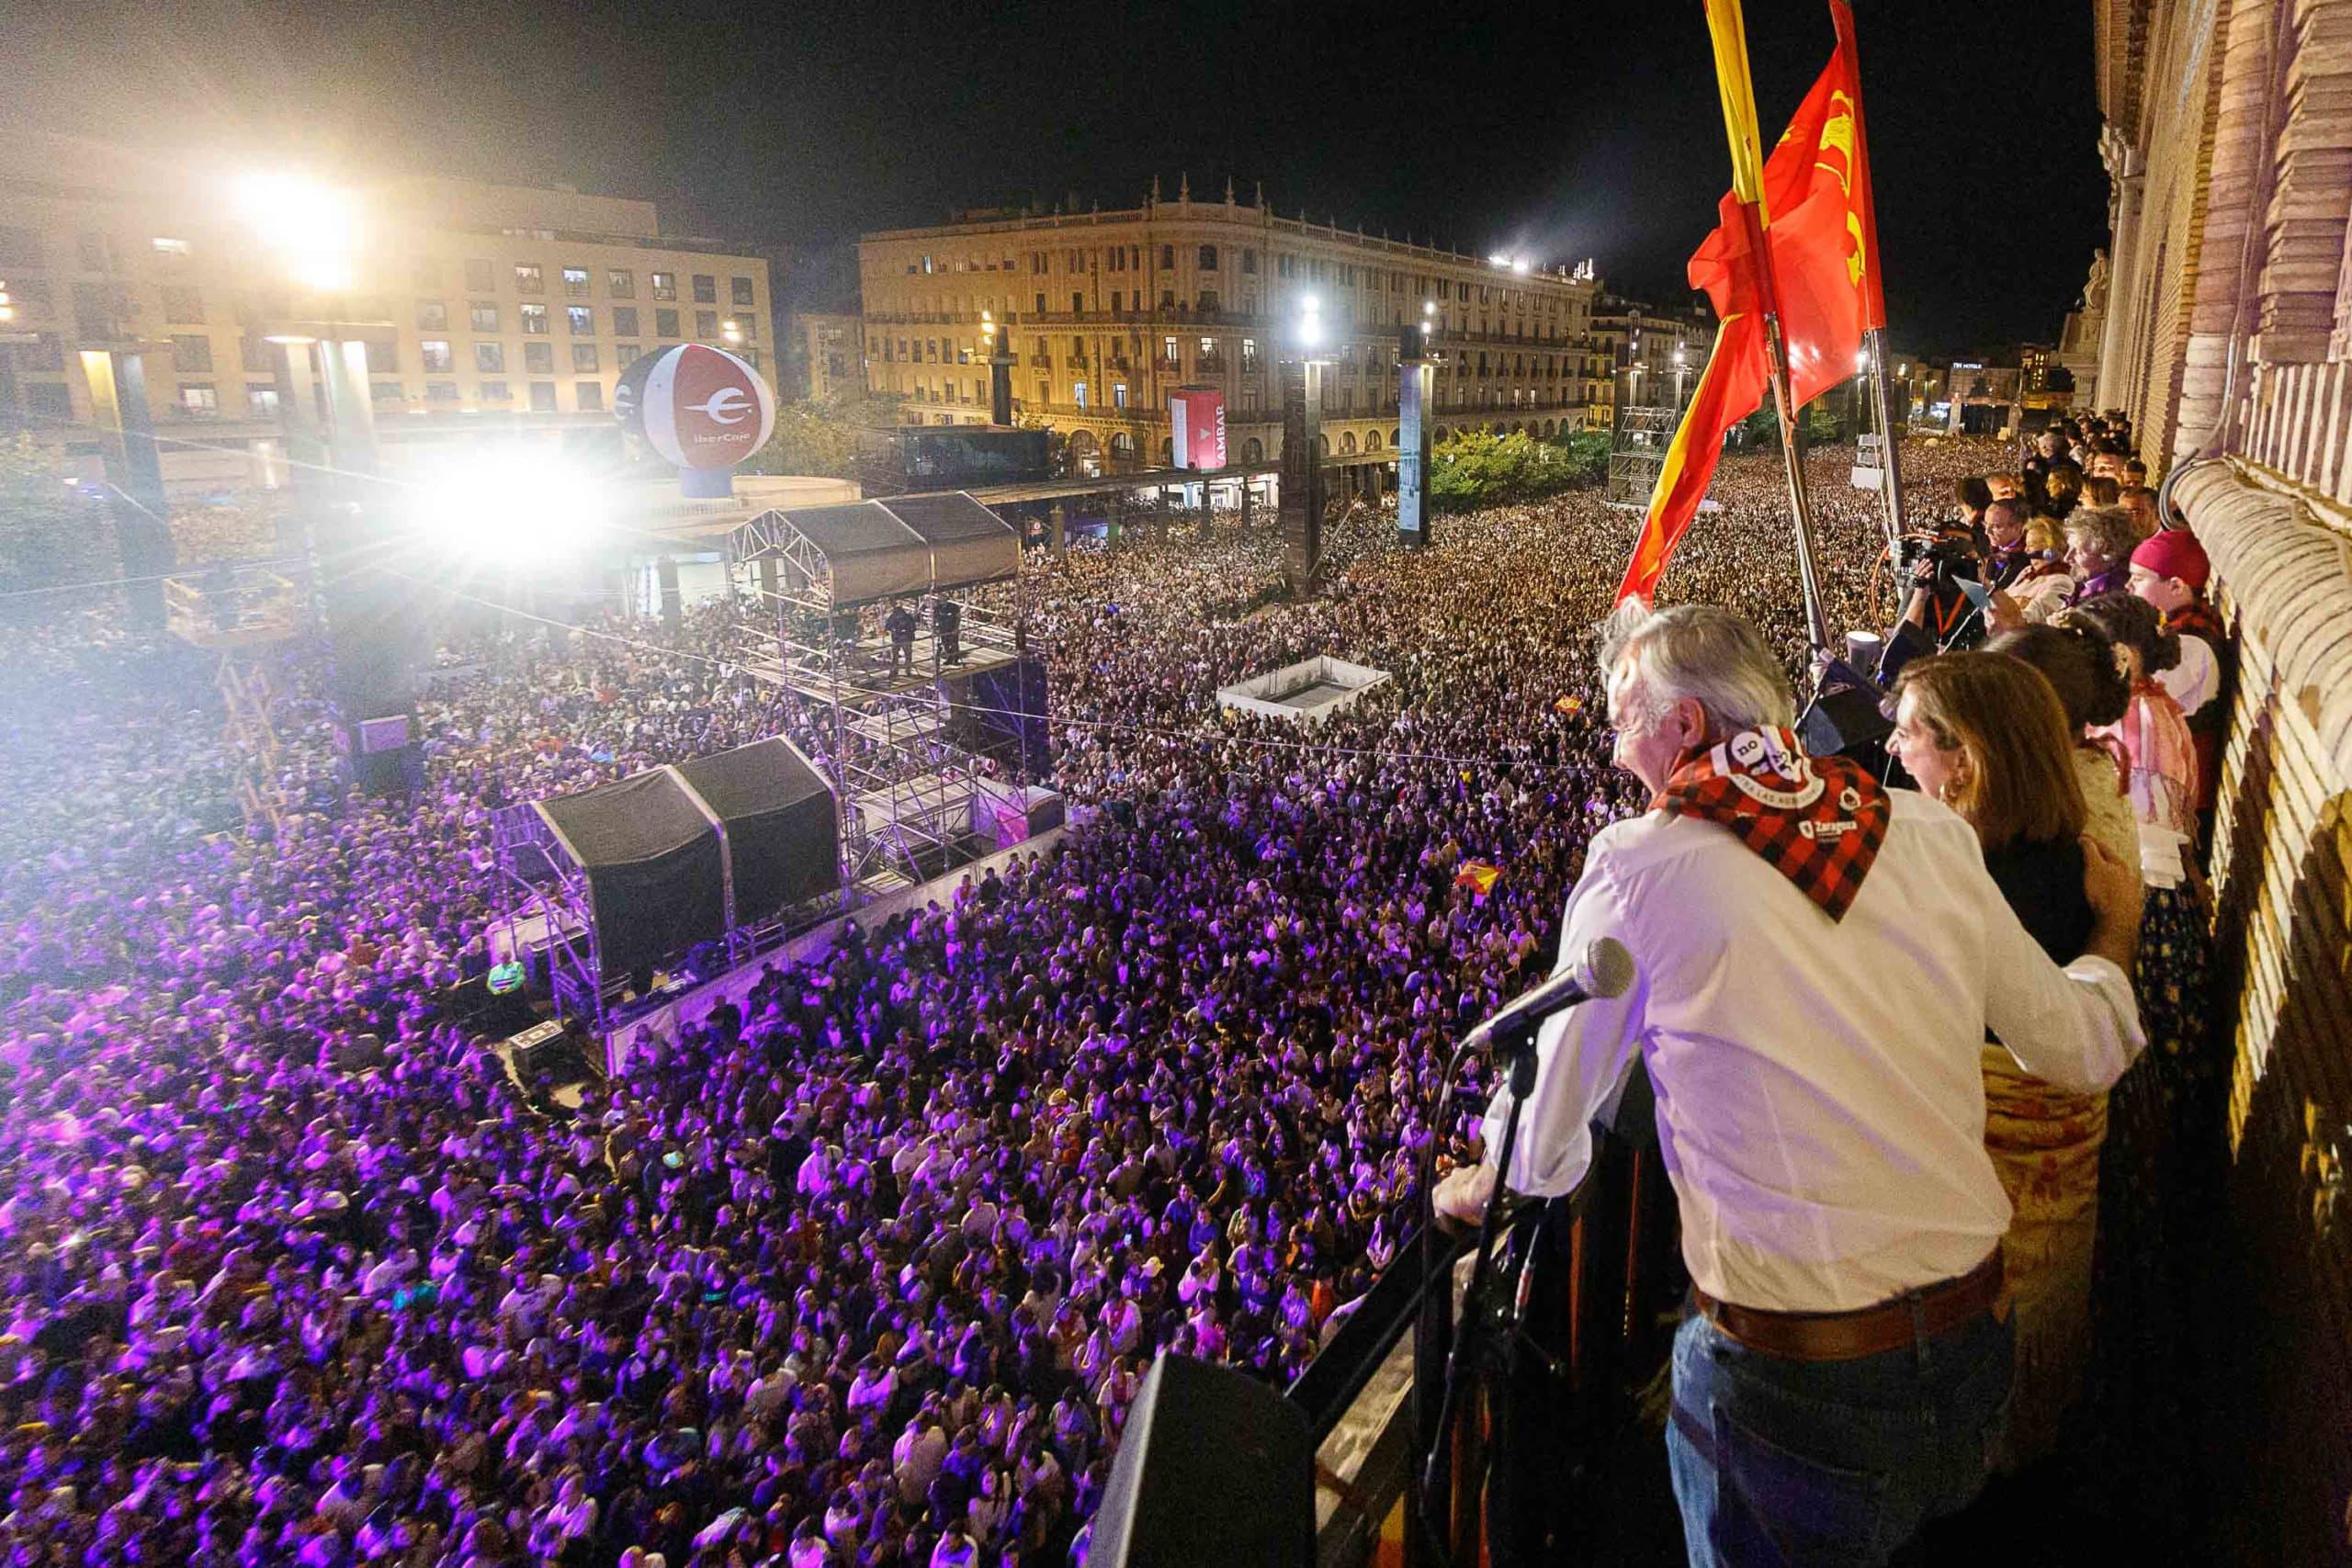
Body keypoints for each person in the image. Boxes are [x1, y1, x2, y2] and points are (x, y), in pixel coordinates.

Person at [1434, 602, 2145, 1565]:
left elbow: (1538, 1151)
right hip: (1976, 1350)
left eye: (1620, 719)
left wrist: (1481, 1178)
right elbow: (2083, 1046)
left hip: (1794, 1393)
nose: (1610, 751)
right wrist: (2115, 935)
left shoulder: (1638, 869)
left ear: (1685, 725)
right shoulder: (1928, 836)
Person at [1886, 651, 2108, 1469]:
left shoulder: (1972, 886)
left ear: (1965, 759)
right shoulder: (2065, 856)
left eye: (1908, 733)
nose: (1895, 751)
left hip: (1976, 1267)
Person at [2127, 527, 2230, 832]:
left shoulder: (2189, 646)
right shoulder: (2180, 628)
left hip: (2179, 790)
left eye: (2140, 578)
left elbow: (2144, 706)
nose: (2128, 585)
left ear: (2175, 586)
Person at [886, 601, 919, 678]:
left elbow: (913, 627)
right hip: (900, 638)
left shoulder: (904, 617)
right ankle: (902, 671)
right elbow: (888, 626)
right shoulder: (901, 617)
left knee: (899, 656)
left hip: (901, 638)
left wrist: (901, 630)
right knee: (902, 656)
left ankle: (900, 671)